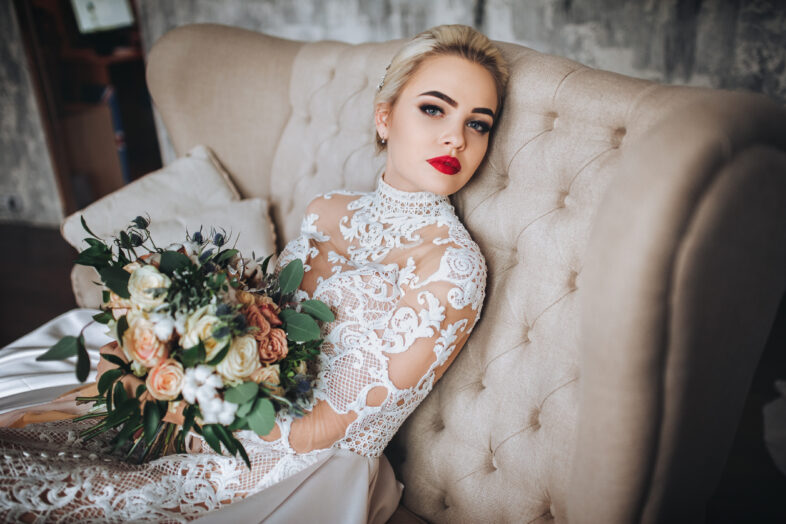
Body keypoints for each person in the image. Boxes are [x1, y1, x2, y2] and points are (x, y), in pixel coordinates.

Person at [0, 23, 508, 523]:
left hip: (295, 465)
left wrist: (197, 397)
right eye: (434, 108)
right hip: (218, 404)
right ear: (384, 117)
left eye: (477, 123)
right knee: (33, 434)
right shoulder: (328, 209)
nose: (455, 138)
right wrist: (177, 351)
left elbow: (328, 426)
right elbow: (260, 316)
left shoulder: (452, 266)